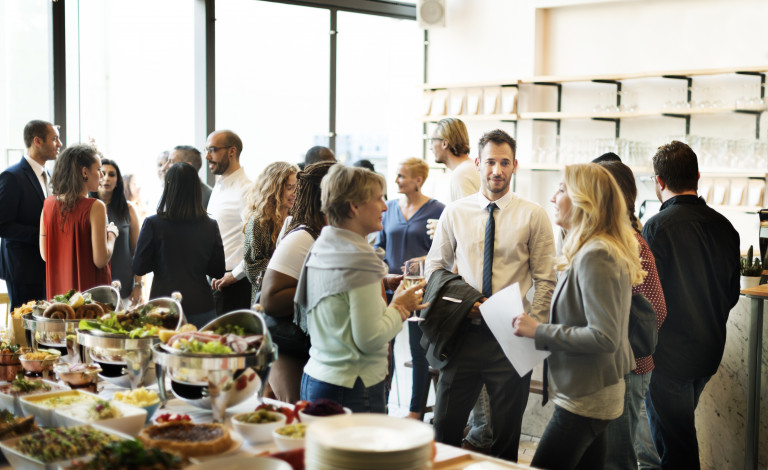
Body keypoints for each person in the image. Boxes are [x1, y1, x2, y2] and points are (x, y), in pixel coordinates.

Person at [424, 129, 556, 461]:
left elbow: (545, 279)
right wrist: (461, 304)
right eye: (490, 162)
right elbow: (435, 269)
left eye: (505, 163)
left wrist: (533, 324)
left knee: (506, 439)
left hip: (511, 338)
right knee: (445, 430)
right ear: (477, 163)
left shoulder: (533, 215)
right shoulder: (455, 212)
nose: (497, 171)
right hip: (462, 333)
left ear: (515, 166)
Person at [513, 163, 645, 470]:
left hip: (587, 396)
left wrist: (539, 330)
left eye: (561, 189)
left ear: (584, 200)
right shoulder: (598, 248)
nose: (553, 197)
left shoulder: (596, 254)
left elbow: (604, 336)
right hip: (594, 391)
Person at [295, 164, 426, 413]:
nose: (386, 207)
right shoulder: (358, 259)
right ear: (354, 206)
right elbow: (370, 339)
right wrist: (400, 306)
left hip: (317, 377)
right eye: (378, 198)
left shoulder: (323, 244)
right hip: (353, 385)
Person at [642, 141, 740, 470]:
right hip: (708, 354)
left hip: (668, 359)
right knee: (679, 436)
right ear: (698, 176)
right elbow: (731, 295)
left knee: (676, 448)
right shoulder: (726, 227)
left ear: (659, 181)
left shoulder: (655, 228)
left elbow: (648, 303)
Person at [597, 160, 666, 470]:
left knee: (622, 457)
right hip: (620, 366)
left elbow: (656, 310)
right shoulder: (615, 239)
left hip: (630, 367)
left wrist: (622, 350)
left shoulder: (631, 243)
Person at [374, 157, 444, 420]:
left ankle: (416, 411)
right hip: (388, 290)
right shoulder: (388, 207)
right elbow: (377, 248)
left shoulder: (438, 210)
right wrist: (383, 274)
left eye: (402, 176)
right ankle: (381, 406)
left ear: (418, 180)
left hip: (420, 290)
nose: (396, 181)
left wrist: (424, 261)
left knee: (419, 352)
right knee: (383, 348)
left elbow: (445, 250)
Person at [259, 161, 334, 404]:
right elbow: (270, 300)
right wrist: (325, 285)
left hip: (306, 342)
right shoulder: (302, 236)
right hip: (289, 342)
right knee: (297, 412)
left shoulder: (324, 231)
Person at [132, 163, 225, 328]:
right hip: (201, 305)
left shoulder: (153, 224)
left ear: (168, 187)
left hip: (163, 306)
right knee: (199, 352)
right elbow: (217, 270)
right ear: (196, 189)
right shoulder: (210, 225)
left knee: (162, 352)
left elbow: (139, 267)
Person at [39, 144, 117, 299]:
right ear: (84, 172)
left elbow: (45, 255)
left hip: (60, 292)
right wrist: (112, 235)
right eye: (98, 169)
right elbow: (100, 260)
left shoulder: (48, 204)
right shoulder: (95, 207)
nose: (101, 175)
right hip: (89, 293)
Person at [0, 120, 61, 308]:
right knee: (25, 328)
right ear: (37, 141)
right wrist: (42, 236)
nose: (59, 144)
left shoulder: (50, 175)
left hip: (47, 266)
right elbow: (2, 225)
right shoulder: (12, 176)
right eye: (54, 139)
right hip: (23, 269)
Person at [205, 130, 252, 315]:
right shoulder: (219, 186)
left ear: (232, 151)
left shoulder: (247, 190)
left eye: (213, 150)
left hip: (235, 284)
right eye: (207, 150)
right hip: (214, 280)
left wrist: (235, 274)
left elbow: (256, 242)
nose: (208, 156)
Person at [243, 161, 299, 305]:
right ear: (274, 189)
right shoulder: (258, 222)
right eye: (290, 188)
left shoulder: (298, 218)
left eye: (297, 188)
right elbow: (253, 269)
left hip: (292, 296)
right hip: (266, 299)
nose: (295, 193)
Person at [91, 158, 143, 309]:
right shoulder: (85, 208)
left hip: (124, 286)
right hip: (92, 285)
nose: (106, 178)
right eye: (103, 173)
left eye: (112, 174)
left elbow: (137, 251)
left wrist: (139, 285)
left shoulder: (129, 209)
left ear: (118, 180)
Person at [430, 118, 480, 201]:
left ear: (444, 143)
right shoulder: (470, 168)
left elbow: (465, 212)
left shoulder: (461, 174)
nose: (430, 147)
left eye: (432, 141)